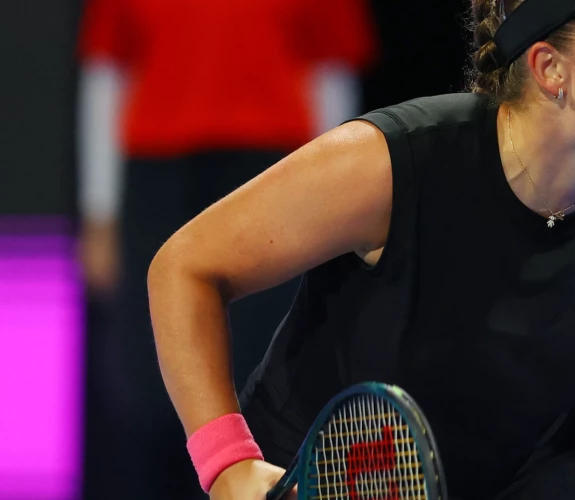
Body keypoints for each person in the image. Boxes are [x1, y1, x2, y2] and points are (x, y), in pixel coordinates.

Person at [147, 0, 575, 498]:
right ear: (550, 69)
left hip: (539, 475)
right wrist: (228, 465)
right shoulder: (391, 165)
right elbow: (186, 267)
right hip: (332, 477)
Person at [75, 0, 378, 497]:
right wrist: (100, 213)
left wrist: (335, 206)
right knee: (149, 380)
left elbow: (331, 69)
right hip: (158, 175)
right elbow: (106, 72)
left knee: (266, 374)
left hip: (274, 166)